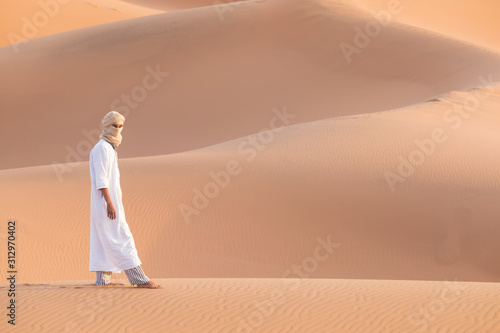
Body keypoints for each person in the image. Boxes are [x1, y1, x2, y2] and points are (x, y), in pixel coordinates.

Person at [89, 111, 163, 289]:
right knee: (121, 237)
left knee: (105, 240)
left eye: (121, 126)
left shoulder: (109, 148)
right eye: (114, 125)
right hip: (106, 204)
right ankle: (139, 278)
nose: (117, 129)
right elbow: (101, 180)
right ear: (106, 126)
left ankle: (102, 281)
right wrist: (109, 203)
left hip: (108, 204)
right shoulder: (101, 148)